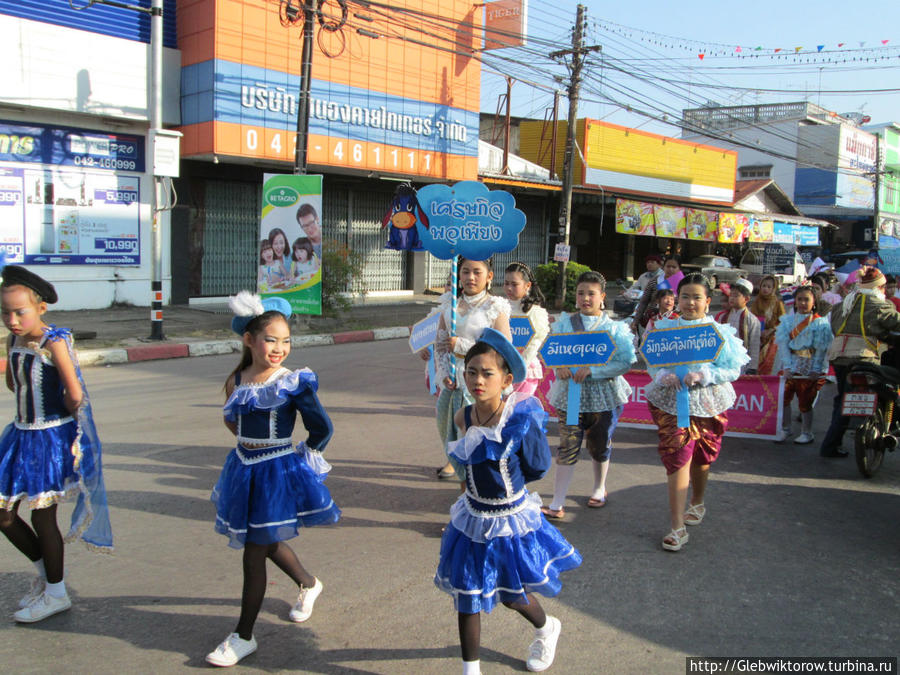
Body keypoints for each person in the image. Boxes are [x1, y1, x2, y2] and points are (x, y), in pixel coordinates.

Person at [434, 328, 582, 675]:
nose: (477, 381)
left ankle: (546, 627)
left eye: (487, 373)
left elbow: (537, 465)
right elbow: (465, 466)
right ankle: (471, 670)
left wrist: (509, 491)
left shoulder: (519, 419)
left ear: (506, 379)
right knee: (467, 595)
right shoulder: (463, 417)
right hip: (471, 518)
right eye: (471, 372)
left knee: (512, 594)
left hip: (509, 519)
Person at [206, 291, 340, 667]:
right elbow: (232, 420)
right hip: (244, 469)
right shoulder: (238, 378)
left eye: (286, 341)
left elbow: (322, 428)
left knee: (254, 553)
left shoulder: (291, 381)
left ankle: (243, 636)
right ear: (249, 340)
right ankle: (309, 583)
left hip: (276, 471)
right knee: (262, 539)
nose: (280, 348)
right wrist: (243, 441)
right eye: (271, 340)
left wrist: (303, 456)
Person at [0, 265, 113, 622]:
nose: (13, 320)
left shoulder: (55, 342)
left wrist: (56, 423)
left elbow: (75, 395)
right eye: (5, 313)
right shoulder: (13, 340)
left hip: (48, 439)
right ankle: (45, 576)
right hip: (20, 435)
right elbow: (11, 385)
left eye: (20, 312)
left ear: (40, 308)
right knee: (4, 516)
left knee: (42, 516)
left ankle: (56, 593)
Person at [644, 273, 749, 551]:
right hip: (671, 402)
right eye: (685, 296)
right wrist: (662, 375)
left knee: (703, 457)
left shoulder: (720, 332)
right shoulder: (664, 329)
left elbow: (732, 368)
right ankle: (677, 527)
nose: (690, 303)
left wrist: (704, 374)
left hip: (709, 403)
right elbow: (652, 363)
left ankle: (698, 500)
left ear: (708, 301)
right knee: (677, 454)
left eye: (697, 297)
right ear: (677, 299)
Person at [542, 271, 636, 518]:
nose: (585, 298)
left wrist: (594, 370)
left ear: (602, 297)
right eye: (581, 293)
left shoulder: (613, 328)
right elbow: (550, 351)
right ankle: (557, 502)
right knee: (568, 445)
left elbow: (625, 362)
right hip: (569, 397)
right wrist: (558, 366)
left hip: (603, 397)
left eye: (591, 294)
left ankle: (599, 487)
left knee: (599, 443)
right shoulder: (563, 324)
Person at [434, 257, 511, 481]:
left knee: (474, 434)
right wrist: (443, 373)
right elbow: (440, 342)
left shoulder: (495, 307)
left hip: (480, 382)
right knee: (447, 427)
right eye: (465, 271)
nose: (470, 277)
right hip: (453, 380)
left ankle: (478, 481)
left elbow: (502, 348)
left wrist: (462, 346)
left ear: (489, 276)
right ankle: (459, 471)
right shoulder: (450, 303)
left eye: (477, 272)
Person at [820, 268, 900, 458]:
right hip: (864, 358)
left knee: (843, 399)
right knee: (882, 393)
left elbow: (836, 326)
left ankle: (831, 444)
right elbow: (895, 323)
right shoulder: (880, 305)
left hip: (839, 358)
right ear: (879, 287)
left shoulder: (844, 304)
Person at [774, 285, 833, 444]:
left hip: (809, 366)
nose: (802, 303)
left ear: (814, 302)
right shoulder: (787, 321)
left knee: (805, 401)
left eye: (806, 299)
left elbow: (821, 350)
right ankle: (785, 429)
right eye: (799, 299)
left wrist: (816, 369)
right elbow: (784, 346)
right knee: (784, 399)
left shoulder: (820, 323)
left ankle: (807, 432)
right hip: (791, 365)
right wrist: (786, 366)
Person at [504, 262, 550, 398]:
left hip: (525, 371)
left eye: (514, 284)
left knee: (519, 411)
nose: (509, 288)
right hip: (500, 370)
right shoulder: (499, 307)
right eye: (506, 283)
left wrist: (518, 368)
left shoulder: (535, 312)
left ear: (527, 285)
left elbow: (534, 345)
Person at [715, 278, 759, 375]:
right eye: (731, 295)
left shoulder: (752, 320)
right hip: (724, 362)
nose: (732, 298)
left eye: (736, 296)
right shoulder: (722, 317)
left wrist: (752, 367)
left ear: (746, 299)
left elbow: (754, 345)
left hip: (742, 364)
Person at [632, 255, 682, 331]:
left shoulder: (683, 284)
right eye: (668, 266)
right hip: (653, 321)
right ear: (663, 267)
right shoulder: (655, 281)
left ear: (679, 269)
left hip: (674, 322)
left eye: (674, 267)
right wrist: (635, 321)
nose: (670, 269)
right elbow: (643, 302)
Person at [749, 275, 786, 375]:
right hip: (757, 336)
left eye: (769, 287)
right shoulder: (757, 302)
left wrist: (771, 330)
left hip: (772, 337)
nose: (765, 289)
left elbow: (783, 322)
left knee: (768, 364)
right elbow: (751, 318)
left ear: (774, 289)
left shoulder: (778, 304)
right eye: (764, 286)